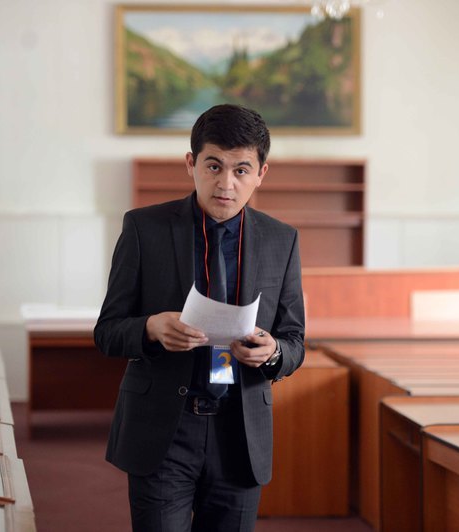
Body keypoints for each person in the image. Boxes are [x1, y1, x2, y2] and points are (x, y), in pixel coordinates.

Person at [94, 103, 305, 532]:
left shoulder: (281, 240)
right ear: (191, 163)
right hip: (165, 430)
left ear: (261, 173)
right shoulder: (144, 229)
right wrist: (150, 328)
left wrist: (272, 352)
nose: (226, 183)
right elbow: (108, 331)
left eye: (241, 170)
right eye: (213, 166)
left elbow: (295, 341)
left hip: (239, 433)